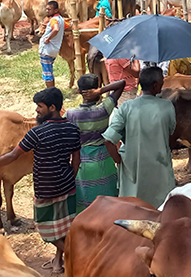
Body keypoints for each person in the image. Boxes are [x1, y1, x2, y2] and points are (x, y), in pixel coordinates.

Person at [0, 88, 81, 274]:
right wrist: (70, 177)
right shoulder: (73, 129)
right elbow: (76, 160)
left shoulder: (36, 133)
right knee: (63, 227)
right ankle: (58, 261)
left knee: (44, 228)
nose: (36, 110)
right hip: (68, 186)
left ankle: (78, 255)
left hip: (45, 189)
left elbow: (13, 155)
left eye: (40, 106)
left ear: (52, 107)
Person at [102, 67, 177, 208]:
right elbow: (171, 133)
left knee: (132, 213)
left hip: (132, 169)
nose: (163, 83)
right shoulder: (167, 106)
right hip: (160, 170)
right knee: (160, 212)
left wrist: (119, 160)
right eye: (162, 81)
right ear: (155, 85)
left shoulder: (126, 107)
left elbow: (108, 140)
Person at [66, 75, 125, 213]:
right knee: (108, 197)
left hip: (82, 161)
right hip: (104, 158)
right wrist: (101, 90)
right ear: (96, 89)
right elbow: (121, 83)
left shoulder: (71, 114)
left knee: (85, 197)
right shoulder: (103, 109)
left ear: (80, 92)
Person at [39, 1, 65, 88]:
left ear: (56, 10)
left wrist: (48, 38)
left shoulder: (54, 20)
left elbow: (56, 29)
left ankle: (50, 92)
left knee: (47, 74)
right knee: (49, 71)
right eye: (46, 9)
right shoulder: (61, 19)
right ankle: (53, 90)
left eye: (49, 9)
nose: (47, 11)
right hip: (54, 49)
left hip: (47, 49)